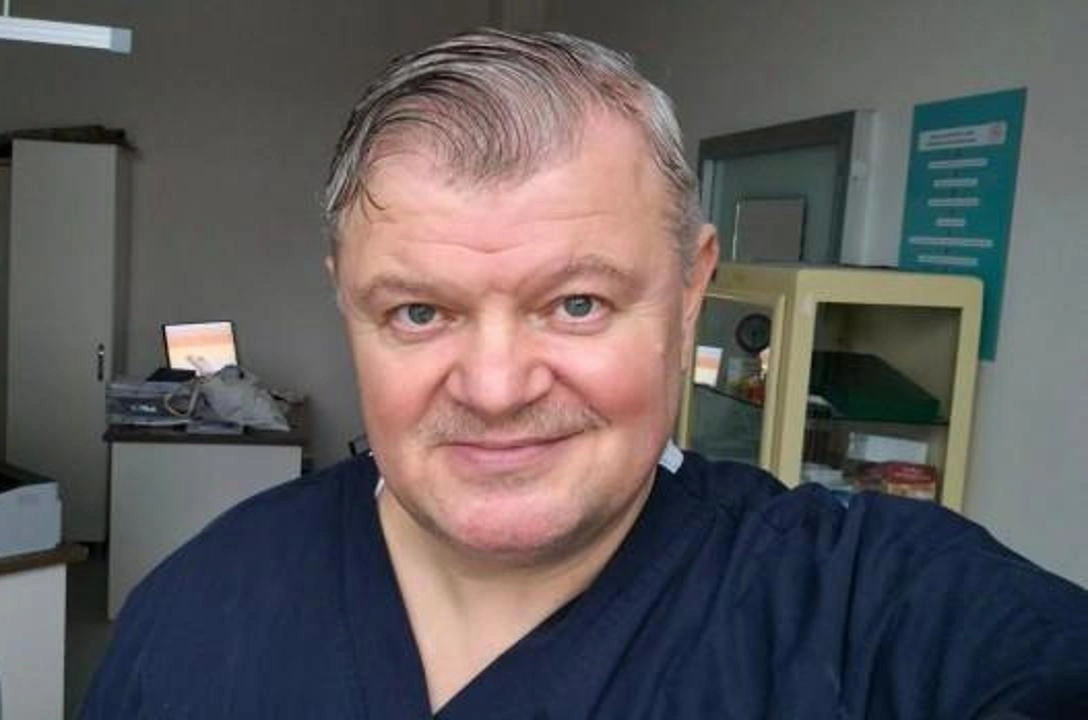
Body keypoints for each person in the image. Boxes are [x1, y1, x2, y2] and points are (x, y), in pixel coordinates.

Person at [82, 29, 1088, 718]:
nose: (494, 388)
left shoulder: (867, 611)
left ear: (689, 294)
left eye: (576, 304)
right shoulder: (197, 612)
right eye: (419, 312)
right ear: (347, 302)